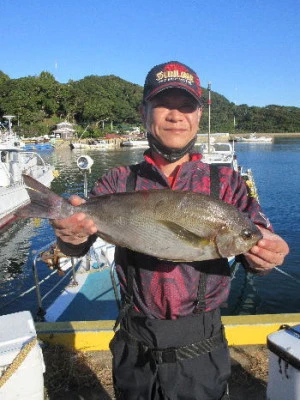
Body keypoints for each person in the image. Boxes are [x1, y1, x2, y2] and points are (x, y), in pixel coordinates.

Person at [53, 61, 289, 400]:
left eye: (187, 106)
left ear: (198, 116)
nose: (176, 115)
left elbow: (257, 233)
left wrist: (267, 252)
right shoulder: (117, 180)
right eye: (165, 104)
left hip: (202, 344)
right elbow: (80, 242)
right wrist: (70, 236)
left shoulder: (226, 182)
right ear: (144, 111)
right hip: (134, 342)